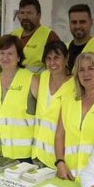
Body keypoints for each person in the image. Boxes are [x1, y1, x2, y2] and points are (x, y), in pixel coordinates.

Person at [53, 52, 94, 180]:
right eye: (81, 70)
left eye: (91, 68)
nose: (86, 74)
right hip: (69, 174)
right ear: (77, 75)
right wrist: (60, 163)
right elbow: (59, 135)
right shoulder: (68, 100)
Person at [32, 40, 75, 168]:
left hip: (59, 158)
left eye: (57, 58)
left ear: (66, 59)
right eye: (48, 58)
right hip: (37, 154)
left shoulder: (75, 85)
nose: (52, 63)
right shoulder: (43, 77)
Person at [11, 0, 60, 72]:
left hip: (39, 83)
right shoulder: (12, 35)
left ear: (39, 15)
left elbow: (58, 67)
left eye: (29, 13)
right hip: (14, 83)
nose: (25, 17)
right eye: (22, 13)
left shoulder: (50, 36)